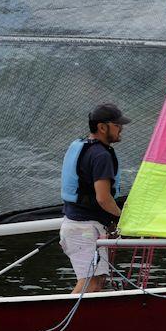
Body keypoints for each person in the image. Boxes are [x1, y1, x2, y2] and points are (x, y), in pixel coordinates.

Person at [59, 103, 130, 294]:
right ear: (102, 127)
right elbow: (103, 198)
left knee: (96, 283)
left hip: (79, 226)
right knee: (90, 284)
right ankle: (62, 321)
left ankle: (78, 322)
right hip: (84, 229)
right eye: (117, 124)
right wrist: (121, 218)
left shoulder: (85, 147)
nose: (121, 128)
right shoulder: (101, 155)